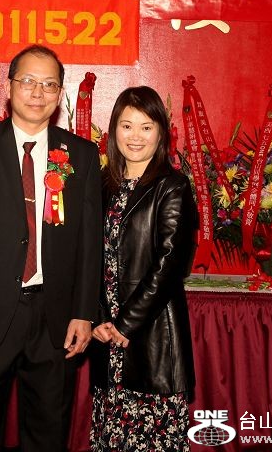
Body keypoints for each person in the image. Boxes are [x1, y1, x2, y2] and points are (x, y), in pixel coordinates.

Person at [0, 44, 103, 452]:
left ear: (60, 94)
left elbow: (89, 242)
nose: (37, 92)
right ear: (9, 87)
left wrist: (83, 312)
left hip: (55, 319)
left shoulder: (80, 155)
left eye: (49, 84)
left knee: (48, 434)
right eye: (28, 81)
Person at [89, 85, 197, 452]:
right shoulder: (102, 185)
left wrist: (126, 324)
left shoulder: (173, 187)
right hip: (106, 337)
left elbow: (169, 264)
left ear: (161, 133)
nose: (135, 136)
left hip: (151, 338)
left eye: (146, 127)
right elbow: (88, 257)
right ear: (114, 131)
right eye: (127, 126)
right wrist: (97, 318)